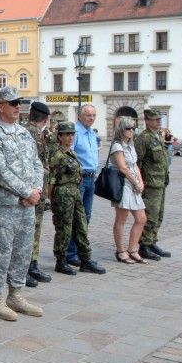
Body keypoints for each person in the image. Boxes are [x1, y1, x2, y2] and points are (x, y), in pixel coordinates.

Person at [0, 86, 44, 322]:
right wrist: (27, 191)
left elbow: (37, 163)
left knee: (23, 250)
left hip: (27, 205)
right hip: (3, 206)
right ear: (0, 106)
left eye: (19, 102)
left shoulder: (24, 133)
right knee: (1, 251)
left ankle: (15, 294)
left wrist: (36, 190)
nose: (18, 106)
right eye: (13, 102)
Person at [47, 122, 106, 275]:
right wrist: (51, 199)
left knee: (81, 225)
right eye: (67, 134)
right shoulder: (57, 154)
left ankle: (86, 260)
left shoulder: (71, 153)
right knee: (64, 229)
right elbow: (51, 180)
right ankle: (61, 261)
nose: (70, 137)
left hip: (75, 193)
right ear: (59, 136)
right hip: (62, 194)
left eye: (72, 134)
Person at [108, 117, 147, 264]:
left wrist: (140, 181)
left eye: (133, 128)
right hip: (123, 185)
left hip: (134, 184)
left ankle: (132, 249)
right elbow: (123, 168)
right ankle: (121, 251)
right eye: (128, 128)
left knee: (141, 218)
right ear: (121, 129)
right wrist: (136, 182)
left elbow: (135, 165)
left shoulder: (130, 145)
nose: (131, 131)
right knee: (121, 219)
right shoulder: (117, 146)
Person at [23, 102, 53, 287]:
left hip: (37, 188)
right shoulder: (31, 133)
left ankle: (32, 264)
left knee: (35, 228)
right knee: (29, 229)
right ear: (45, 118)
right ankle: (25, 267)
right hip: (33, 189)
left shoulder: (36, 132)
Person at [135, 109, 171, 260]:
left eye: (159, 119)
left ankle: (152, 242)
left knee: (158, 215)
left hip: (160, 182)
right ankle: (144, 245)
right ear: (147, 120)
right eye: (155, 119)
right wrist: (140, 182)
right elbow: (137, 162)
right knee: (150, 215)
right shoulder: (143, 138)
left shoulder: (158, 136)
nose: (159, 121)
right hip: (150, 184)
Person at [69, 104, 98, 267]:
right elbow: (70, 153)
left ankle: (80, 249)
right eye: (88, 115)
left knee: (86, 216)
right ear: (80, 116)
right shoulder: (75, 132)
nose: (92, 118)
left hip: (91, 178)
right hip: (79, 178)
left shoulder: (92, 133)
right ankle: (71, 253)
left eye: (94, 115)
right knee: (76, 217)